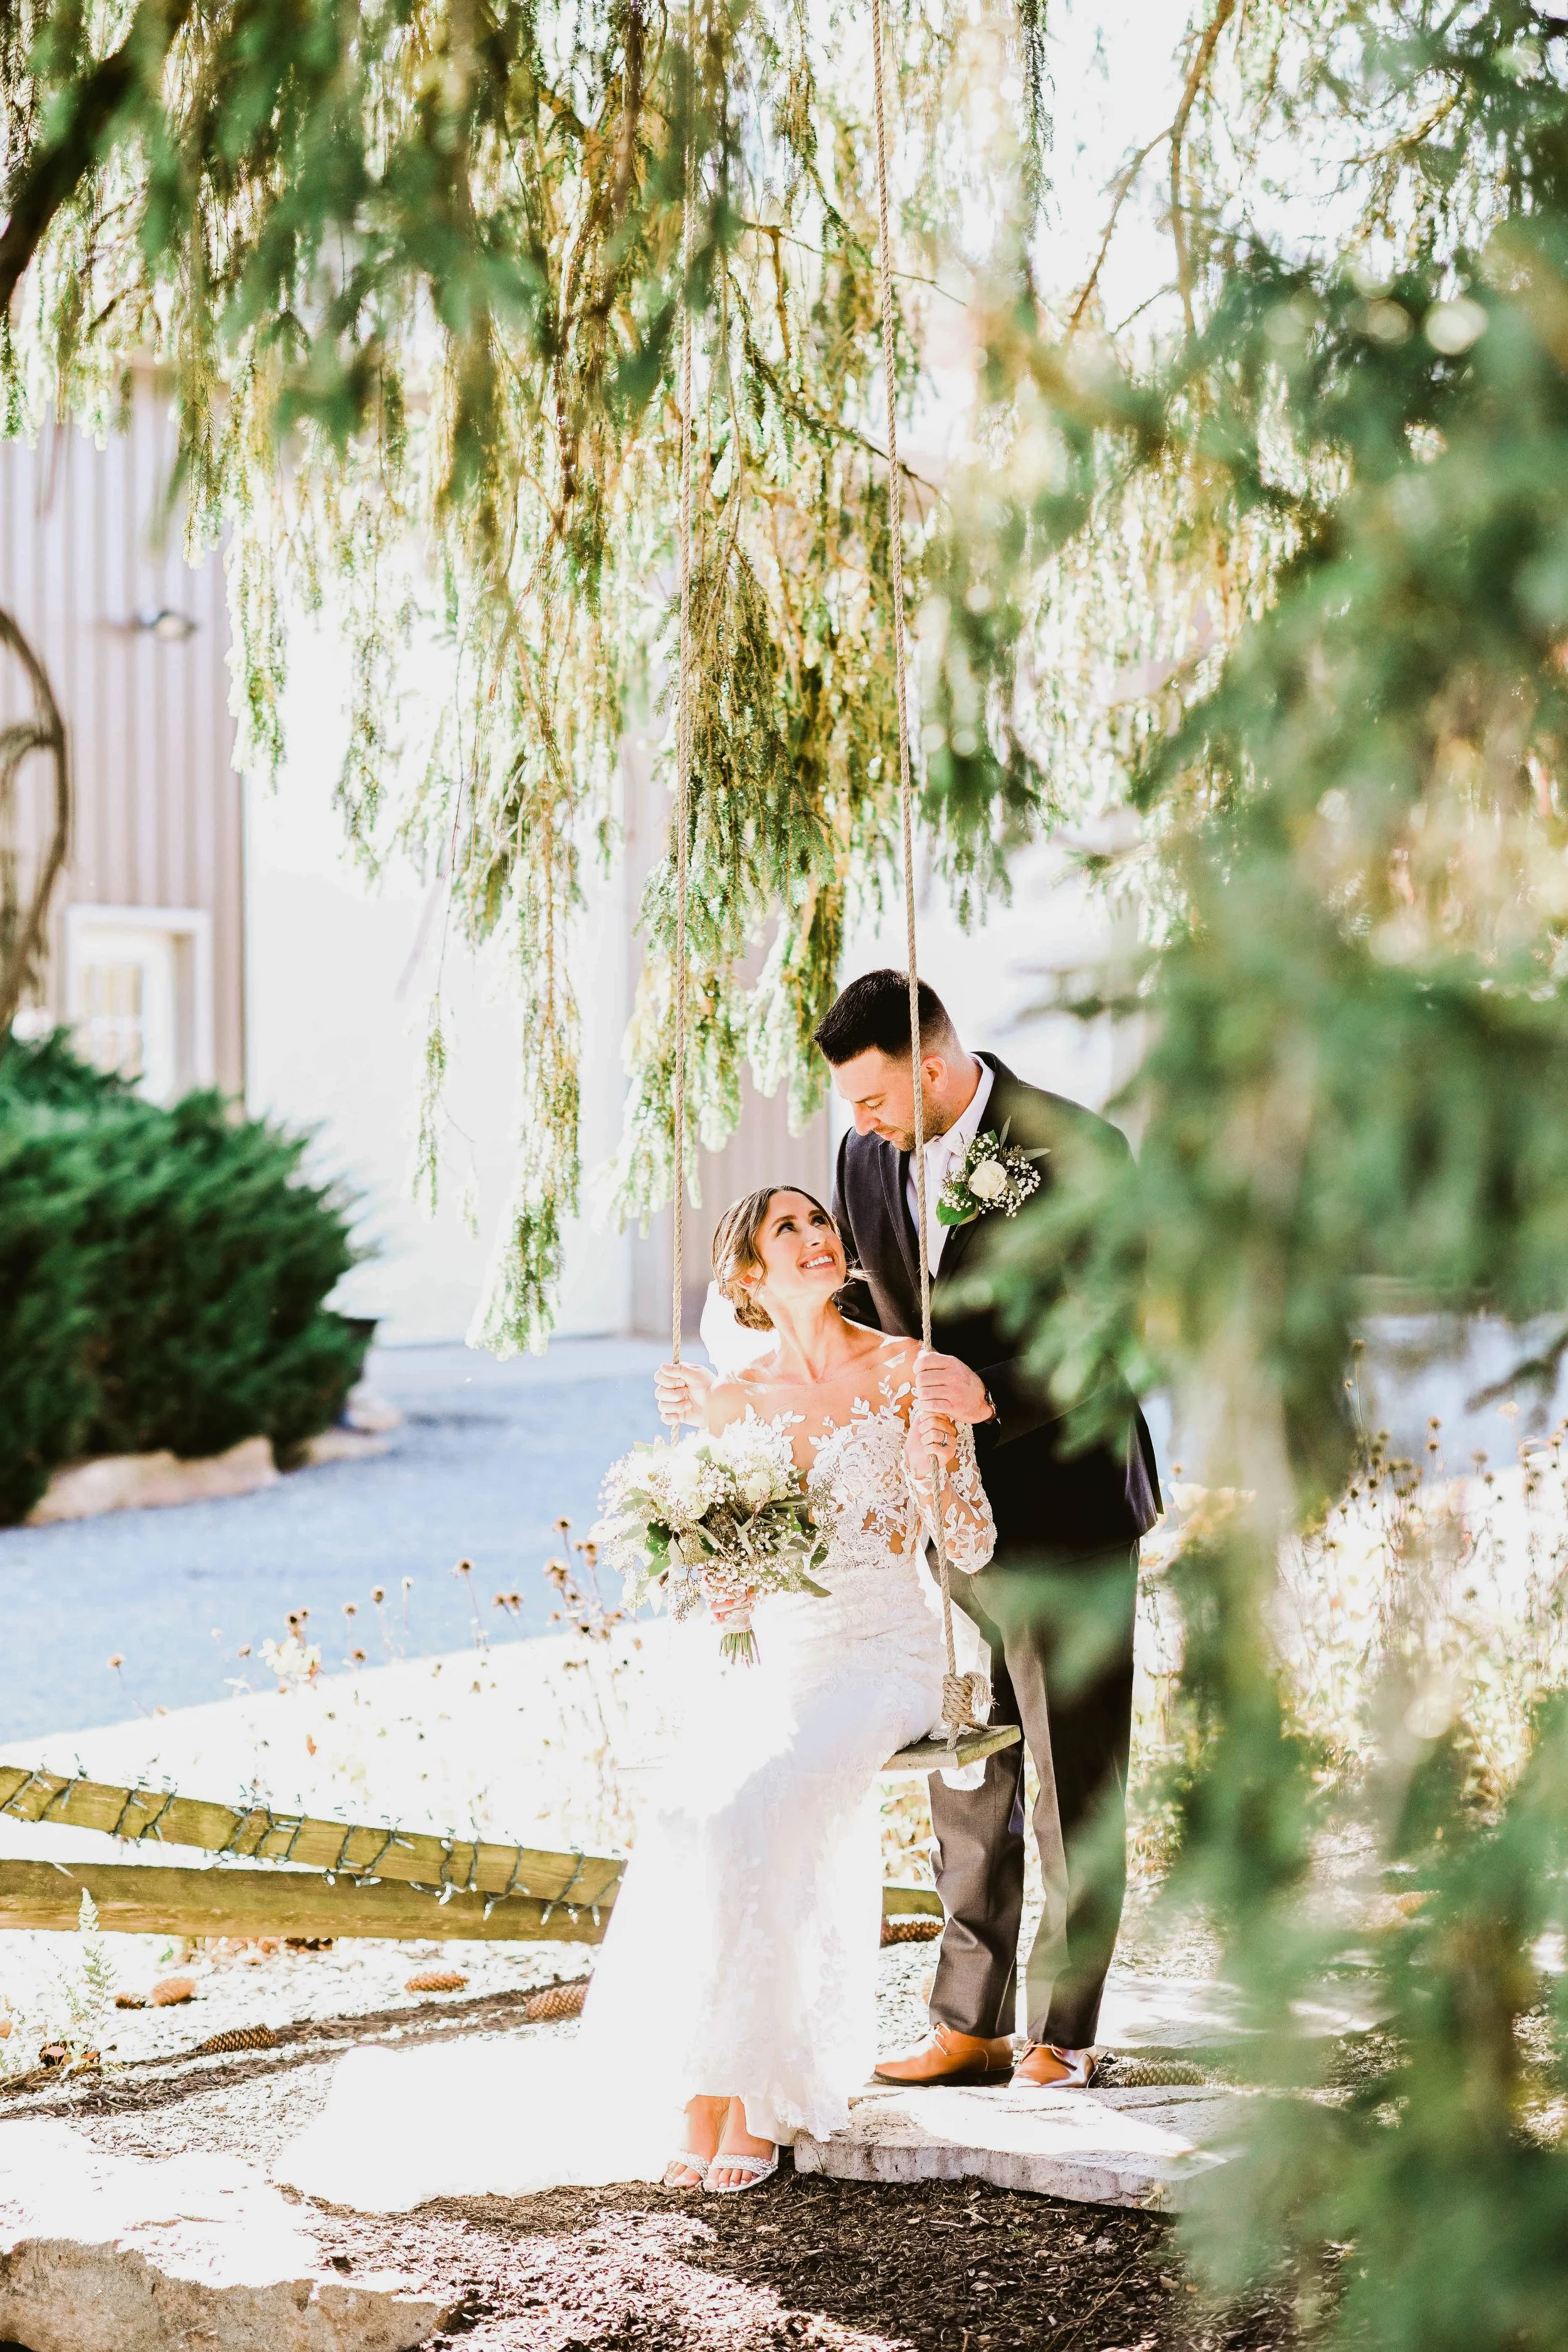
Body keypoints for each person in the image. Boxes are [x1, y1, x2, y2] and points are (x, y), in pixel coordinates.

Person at [275, 1184, 995, 2210]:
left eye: (819, 1220)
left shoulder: (901, 1369)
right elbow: (719, 1581)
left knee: (758, 1806)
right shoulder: (734, 1404)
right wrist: (726, 1579)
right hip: (785, 1661)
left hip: (888, 1653)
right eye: (784, 1227)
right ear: (747, 1275)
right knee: (696, 1811)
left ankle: (745, 2089)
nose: (816, 1235)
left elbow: (969, 1545)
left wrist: (940, 1462)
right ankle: (705, 2084)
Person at [814, 968, 1160, 2093]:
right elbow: (880, 1305)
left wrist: (995, 1388)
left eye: (873, 1097)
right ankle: (968, 2022)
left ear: (931, 1065)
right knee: (966, 1768)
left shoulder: (1078, 1148)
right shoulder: (866, 1157)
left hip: (1067, 1504)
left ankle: (1063, 2030)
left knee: (1076, 1779)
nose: (860, 1123)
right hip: (945, 1516)